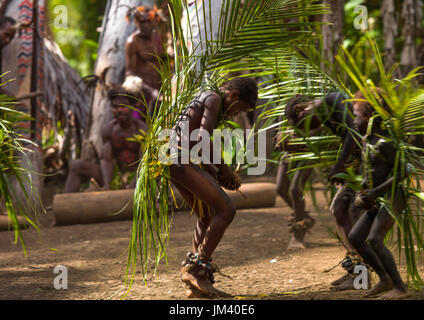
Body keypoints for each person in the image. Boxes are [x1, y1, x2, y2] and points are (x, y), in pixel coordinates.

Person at [172, 77, 258, 298]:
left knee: (207, 215)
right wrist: (225, 170)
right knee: (226, 209)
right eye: (241, 108)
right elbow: (202, 137)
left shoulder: (207, 97)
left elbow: (195, 140)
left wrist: (215, 171)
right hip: (179, 159)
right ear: (234, 95)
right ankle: (196, 270)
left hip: (176, 159)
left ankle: (197, 284)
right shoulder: (212, 98)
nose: (237, 113)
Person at [281, 91, 365, 290]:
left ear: (301, 110)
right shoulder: (326, 113)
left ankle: (362, 274)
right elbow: (347, 137)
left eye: (303, 125)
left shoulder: (332, 100)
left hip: (371, 162)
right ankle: (357, 272)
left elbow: (353, 133)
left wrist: (340, 165)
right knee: (340, 210)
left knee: (348, 211)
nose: (309, 129)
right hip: (360, 162)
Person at [348, 89, 410, 299]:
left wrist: (373, 193)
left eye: (357, 116)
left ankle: (401, 288)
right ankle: (385, 279)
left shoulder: (384, 143)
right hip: (375, 198)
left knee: (375, 239)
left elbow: (402, 171)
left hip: (393, 196)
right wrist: (363, 193)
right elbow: (369, 171)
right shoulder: (368, 141)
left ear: (369, 116)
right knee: (356, 237)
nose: (354, 120)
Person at [64, 85, 147, 193]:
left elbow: (144, 164)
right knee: (76, 165)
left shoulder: (142, 130)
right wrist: (107, 185)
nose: (119, 110)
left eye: (124, 106)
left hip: (139, 176)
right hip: (114, 174)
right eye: (116, 107)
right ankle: (68, 204)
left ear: (132, 107)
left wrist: (132, 186)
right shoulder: (108, 130)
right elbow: (106, 160)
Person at [123, 6, 165, 118]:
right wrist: (151, 91)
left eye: (148, 21)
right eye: (142, 22)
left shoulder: (158, 36)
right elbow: (130, 74)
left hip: (161, 92)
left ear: (154, 21)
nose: (145, 25)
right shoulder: (132, 42)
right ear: (136, 22)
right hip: (143, 95)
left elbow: (163, 59)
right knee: (142, 130)